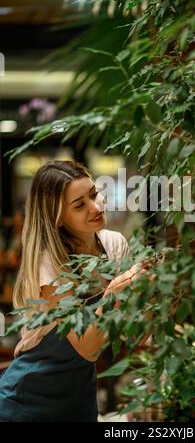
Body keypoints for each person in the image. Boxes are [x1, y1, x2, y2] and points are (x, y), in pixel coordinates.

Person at [0, 160, 149, 422]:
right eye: (79, 205)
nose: (96, 207)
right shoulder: (47, 263)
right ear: (57, 218)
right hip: (27, 403)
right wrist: (115, 294)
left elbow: (134, 335)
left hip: (80, 398)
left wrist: (148, 297)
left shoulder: (114, 246)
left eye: (94, 194)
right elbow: (88, 347)